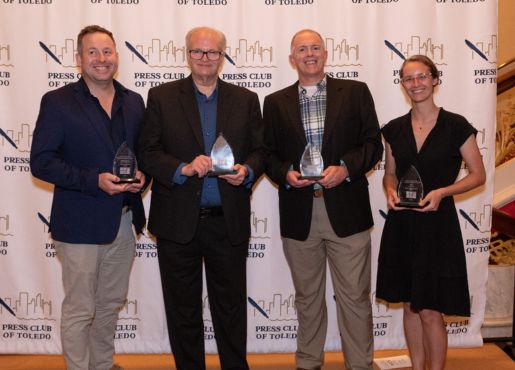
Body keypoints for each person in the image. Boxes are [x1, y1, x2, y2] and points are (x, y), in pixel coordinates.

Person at [138, 26, 266, 370]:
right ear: (187, 54)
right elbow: (148, 153)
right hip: (178, 222)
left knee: (231, 308)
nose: (205, 58)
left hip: (228, 221)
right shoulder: (161, 97)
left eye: (212, 52)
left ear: (223, 56)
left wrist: (247, 171)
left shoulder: (246, 99)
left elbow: (260, 151)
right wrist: (182, 167)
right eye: (198, 52)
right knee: (183, 310)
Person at [263, 29, 383, 370]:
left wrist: (345, 169)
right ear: (292, 58)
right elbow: (267, 153)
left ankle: (360, 364)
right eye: (302, 49)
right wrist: (284, 173)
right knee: (307, 298)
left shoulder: (356, 92)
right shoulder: (274, 102)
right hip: (300, 213)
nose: (309, 54)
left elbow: (373, 144)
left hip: (347, 209)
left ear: (325, 53)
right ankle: (308, 362)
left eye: (315, 47)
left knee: (355, 297)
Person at [30, 25, 146, 370]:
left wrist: (144, 177)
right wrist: (93, 181)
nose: (101, 59)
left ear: (117, 57)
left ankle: (103, 364)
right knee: (81, 307)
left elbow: (144, 154)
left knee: (110, 304)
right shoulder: (58, 102)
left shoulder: (134, 101)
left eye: (107, 51)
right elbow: (42, 162)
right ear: (78, 58)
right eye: (92, 52)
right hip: (79, 222)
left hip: (124, 221)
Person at [376, 55, 486, 370]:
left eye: (422, 76)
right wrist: (389, 189)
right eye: (408, 79)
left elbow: (478, 175)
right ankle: (416, 366)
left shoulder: (456, 126)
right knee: (410, 306)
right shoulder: (394, 130)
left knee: (430, 309)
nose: (416, 84)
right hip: (403, 224)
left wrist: (442, 192)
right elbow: (390, 173)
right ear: (402, 85)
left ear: (435, 80)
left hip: (438, 224)